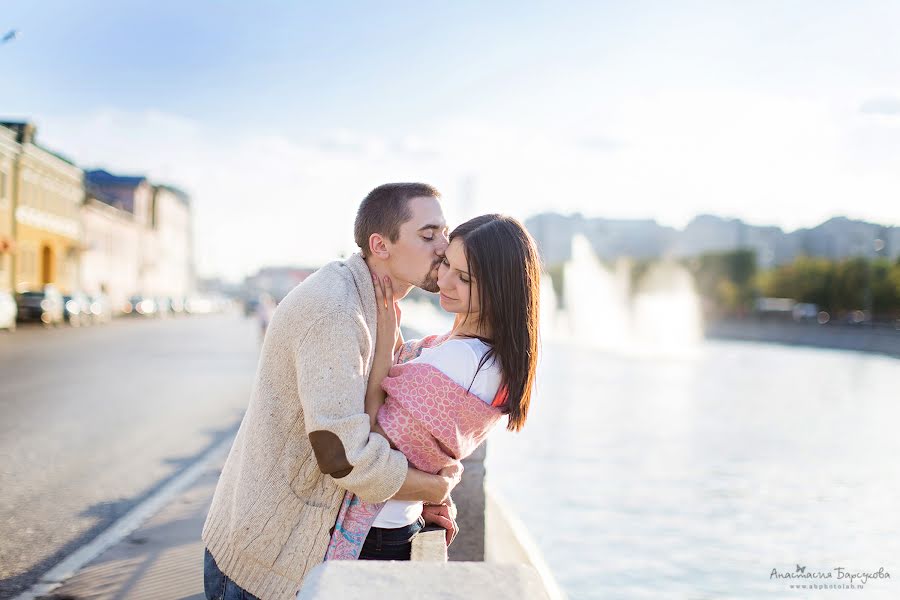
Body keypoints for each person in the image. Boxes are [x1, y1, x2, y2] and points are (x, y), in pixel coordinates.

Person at [202, 183, 464, 600]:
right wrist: (433, 487)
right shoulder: (336, 311)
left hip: (290, 551)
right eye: (428, 235)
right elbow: (342, 456)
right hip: (265, 565)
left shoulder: (375, 305)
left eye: (445, 234)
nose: (444, 248)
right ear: (381, 245)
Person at [323, 214, 541, 562]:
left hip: (375, 531)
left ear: (501, 287)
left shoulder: (462, 359)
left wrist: (383, 340)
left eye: (464, 278)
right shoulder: (483, 355)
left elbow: (374, 433)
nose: (444, 281)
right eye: (445, 265)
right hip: (397, 521)